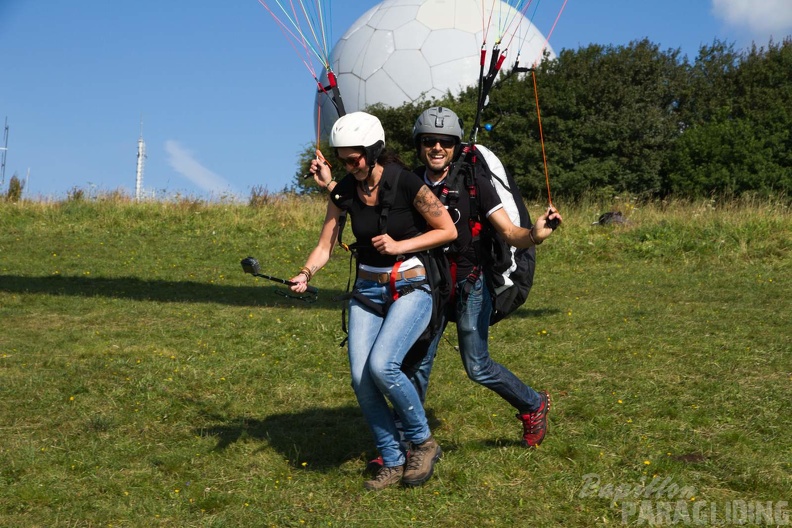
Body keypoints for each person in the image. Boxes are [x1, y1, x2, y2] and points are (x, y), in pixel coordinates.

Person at [289, 111, 456, 490]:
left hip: (411, 285)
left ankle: (423, 442)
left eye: (355, 158)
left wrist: (400, 245)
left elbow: (447, 229)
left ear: (375, 150)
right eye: (343, 159)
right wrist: (305, 273)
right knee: (361, 379)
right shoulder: (345, 190)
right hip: (367, 290)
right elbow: (324, 245)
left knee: (383, 366)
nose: (350, 166)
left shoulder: (406, 182)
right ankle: (392, 459)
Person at [408, 106, 563, 448]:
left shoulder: (472, 180)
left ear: (455, 146)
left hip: (469, 285)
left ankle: (533, 404)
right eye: (430, 141)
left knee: (477, 366)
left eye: (445, 142)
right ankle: (411, 439)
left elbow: (508, 232)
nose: (437, 148)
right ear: (419, 145)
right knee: (418, 363)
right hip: (429, 287)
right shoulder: (410, 183)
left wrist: (536, 234)